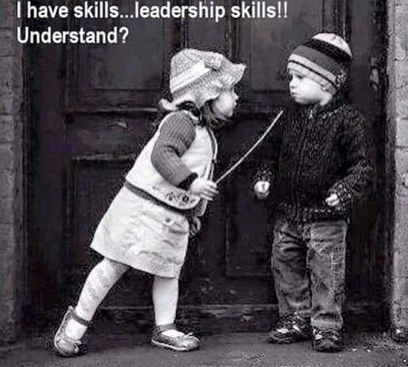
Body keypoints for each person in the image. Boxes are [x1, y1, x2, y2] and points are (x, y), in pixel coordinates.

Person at [53, 48, 245, 356]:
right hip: (142, 210)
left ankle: (164, 328)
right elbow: (162, 155)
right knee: (114, 264)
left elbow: (194, 167)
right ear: (207, 93)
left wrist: (193, 212)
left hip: (170, 216)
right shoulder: (181, 122)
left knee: (168, 271)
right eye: (230, 90)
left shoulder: (202, 130)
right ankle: (75, 326)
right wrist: (192, 183)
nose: (236, 97)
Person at [253, 33, 374, 352]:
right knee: (285, 265)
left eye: (300, 77)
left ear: (327, 82)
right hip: (288, 214)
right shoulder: (288, 117)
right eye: (291, 77)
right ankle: (296, 317)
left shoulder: (349, 121)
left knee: (326, 272)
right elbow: (270, 153)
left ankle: (326, 326)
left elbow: (362, 167)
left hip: (326, 218)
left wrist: (345, 191)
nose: (292, 85)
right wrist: (265, 177)